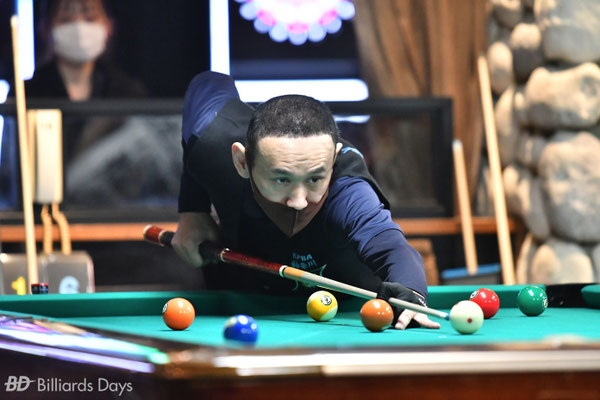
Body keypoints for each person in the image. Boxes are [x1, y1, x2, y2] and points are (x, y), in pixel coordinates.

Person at [172, 71, 440, 330]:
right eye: (282, 179)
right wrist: (193, 211)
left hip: (346, 316)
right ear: (242, 162)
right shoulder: (212, 141)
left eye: (314, 179)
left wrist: (412, 293)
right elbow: (207, 82)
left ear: (333, 160)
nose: (299, 202)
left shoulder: (348, 191)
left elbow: (392, 247)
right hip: (239, 301)